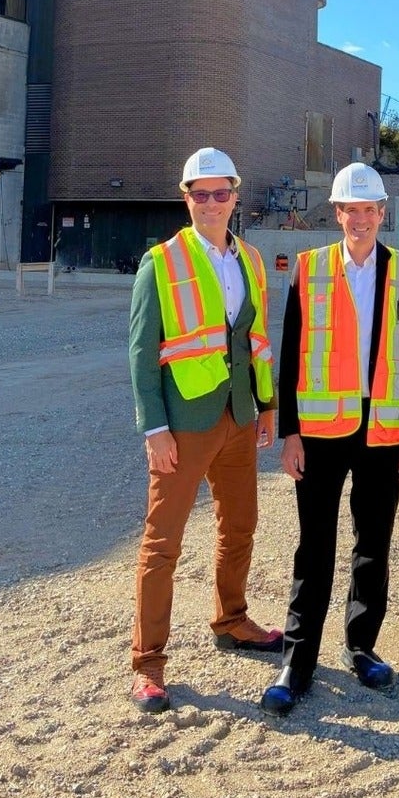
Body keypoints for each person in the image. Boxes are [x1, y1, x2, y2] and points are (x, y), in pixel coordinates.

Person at [260, 162, 399, 717]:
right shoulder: (308, 270)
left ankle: (361, 646)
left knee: (372, 545)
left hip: (383, 431)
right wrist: (290, 432)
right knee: (314, 547)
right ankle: (297, 659)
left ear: (383, 213)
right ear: (336, 214)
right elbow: (290, 354)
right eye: (349, 210)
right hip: (322, 430)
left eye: (368, 210)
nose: (359, 219)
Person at [128, 147, 282, 714]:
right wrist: (155, 428)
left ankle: (232, 619)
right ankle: (147, 664)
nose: (212, 203)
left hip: (240, 418)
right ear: (186, 197)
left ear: (235, 196)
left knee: (239, 525)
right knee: (162, 543)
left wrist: (266, 405)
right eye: (201, 193)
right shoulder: (160, 262)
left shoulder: (252, 260)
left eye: (222, 193)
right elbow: (142, 353)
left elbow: (256, 337)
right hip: (185, 423)